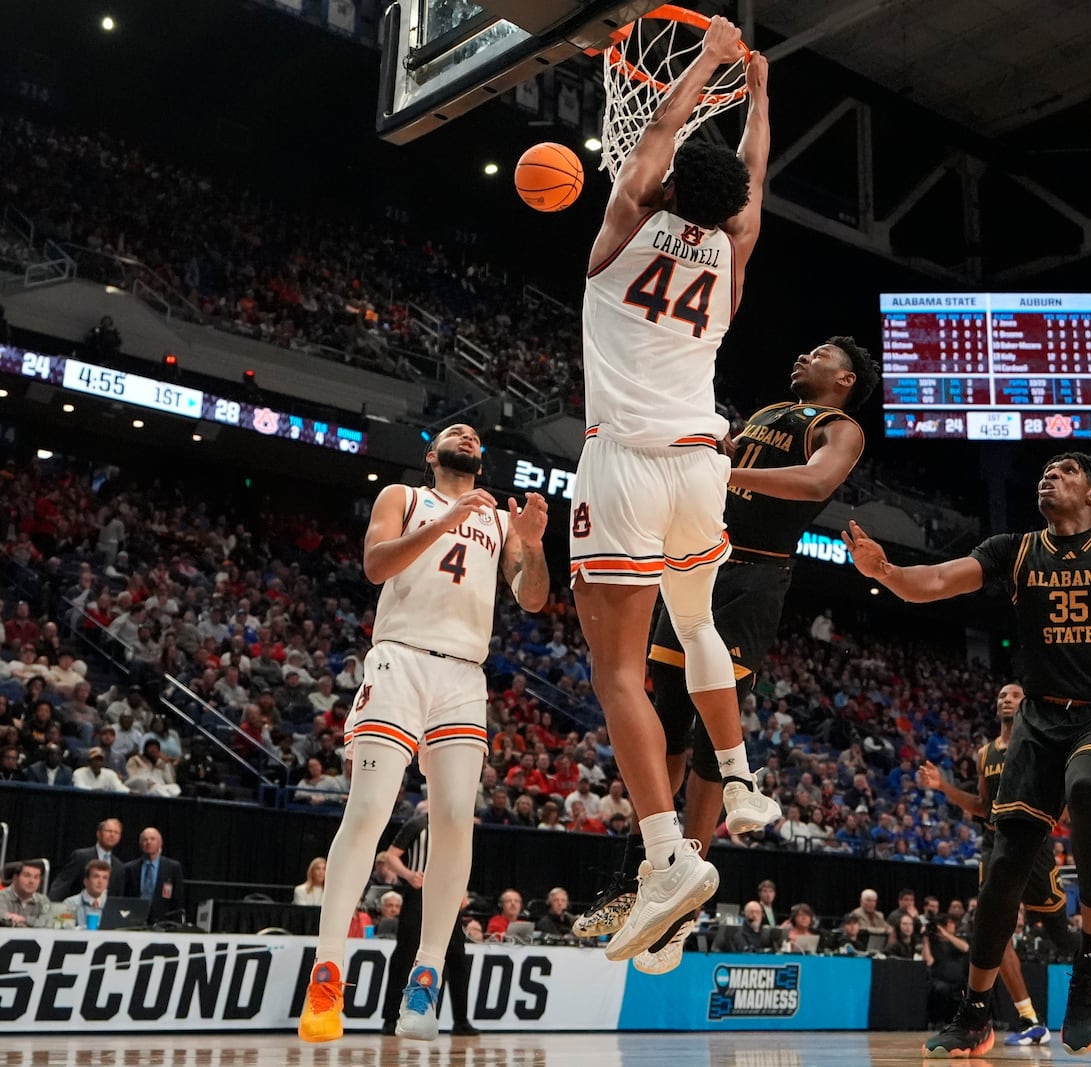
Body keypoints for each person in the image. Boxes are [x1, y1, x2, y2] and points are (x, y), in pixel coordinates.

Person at [842, 452, 1091, 1056]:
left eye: (1067, 470)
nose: (1051, 475)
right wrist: (885, 570)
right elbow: (934, 582)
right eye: (1046, 470)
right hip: (1040, 720)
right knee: (1004, 866)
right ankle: (975, 1015)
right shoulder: (1014, 549)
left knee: (1090, 790)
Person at [568, 14, 776, 962]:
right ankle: (736, 778)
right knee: (694, 626)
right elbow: (753, 181)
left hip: (628, 463)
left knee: (617, 669)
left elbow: (652, 138)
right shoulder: (734, 252)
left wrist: (704, 61)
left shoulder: (623, 231)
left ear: (660, 188)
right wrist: (758, 96)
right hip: (703, 464)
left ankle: (666, 855)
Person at [576, 337, 877, 970]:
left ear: (845, 378)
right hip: (696, 554)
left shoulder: (839, 426)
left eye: (818, 352)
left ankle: (687, 891)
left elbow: (818, 480)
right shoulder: (768, 413)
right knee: (663, 719)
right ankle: (648, 875)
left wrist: (726, 471)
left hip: (751, 576)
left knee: (713, 739)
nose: (803, 355)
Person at [298, 423, 549, 1043]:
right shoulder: (402, 498)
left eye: (473, 435)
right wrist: (445, 519)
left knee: (457, 818)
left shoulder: (499, 521)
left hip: (463, 674)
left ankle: (426, 977)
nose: (465, 433)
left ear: (481, 461)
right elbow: (376, 565)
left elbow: (534, 599)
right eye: (451, 432)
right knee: (368, 811)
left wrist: (536, 545)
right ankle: (327, 973)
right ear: (430, 456)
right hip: (401, 659)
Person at [919, 682, 1088, 1046]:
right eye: (1001, 696)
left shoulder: (1042, 745)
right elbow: (982, 807)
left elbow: (1060, 803)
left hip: (1035, 845)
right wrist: (944, 787)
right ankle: (1029, 1019)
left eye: (1013, 695)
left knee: (1059, 934)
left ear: (1026, 704)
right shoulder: (985, 754)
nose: (1006, 699)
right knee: (994, 930)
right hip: (995, 844)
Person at [375, 812, 476, 1036]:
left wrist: (462, 890)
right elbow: (390, 856)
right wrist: (409, 875)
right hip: (418, 896)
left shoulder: (459, 825)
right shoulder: (418, 823)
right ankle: (391, 1018)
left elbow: (460, 862)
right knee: (406, 954)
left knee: (457, 957)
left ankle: (461, 1020)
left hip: (448, 895)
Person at [49, 818, 125, 901]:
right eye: (109, 831)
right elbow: (63, 884)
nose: (112, 835)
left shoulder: (119, 866)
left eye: (116, 832)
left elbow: (118, 896)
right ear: (98, 834)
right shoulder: (81, 857)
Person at [123, 827, 184, 925]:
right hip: (134, 921)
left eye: (152, 839)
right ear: (140, 844)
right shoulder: (130, 868)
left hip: (163, 923)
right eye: (145, 839)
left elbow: (178, 900)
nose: (148, 842)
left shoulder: (172, 867)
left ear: (160, 843)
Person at [1, 859, 52, 927]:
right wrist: (34, 923)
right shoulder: (2, 897)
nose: (31, 881)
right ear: (15, 878)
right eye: (27, 876)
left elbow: (48, 923)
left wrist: (25, 920)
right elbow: (3, 919)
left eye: (36, 877)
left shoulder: (43, 900)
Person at [73, 859, 114, 929]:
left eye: (105, 878)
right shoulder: (71, 903)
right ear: (86, 881)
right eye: (96, 876)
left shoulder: (112, 906)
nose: (100, 881)